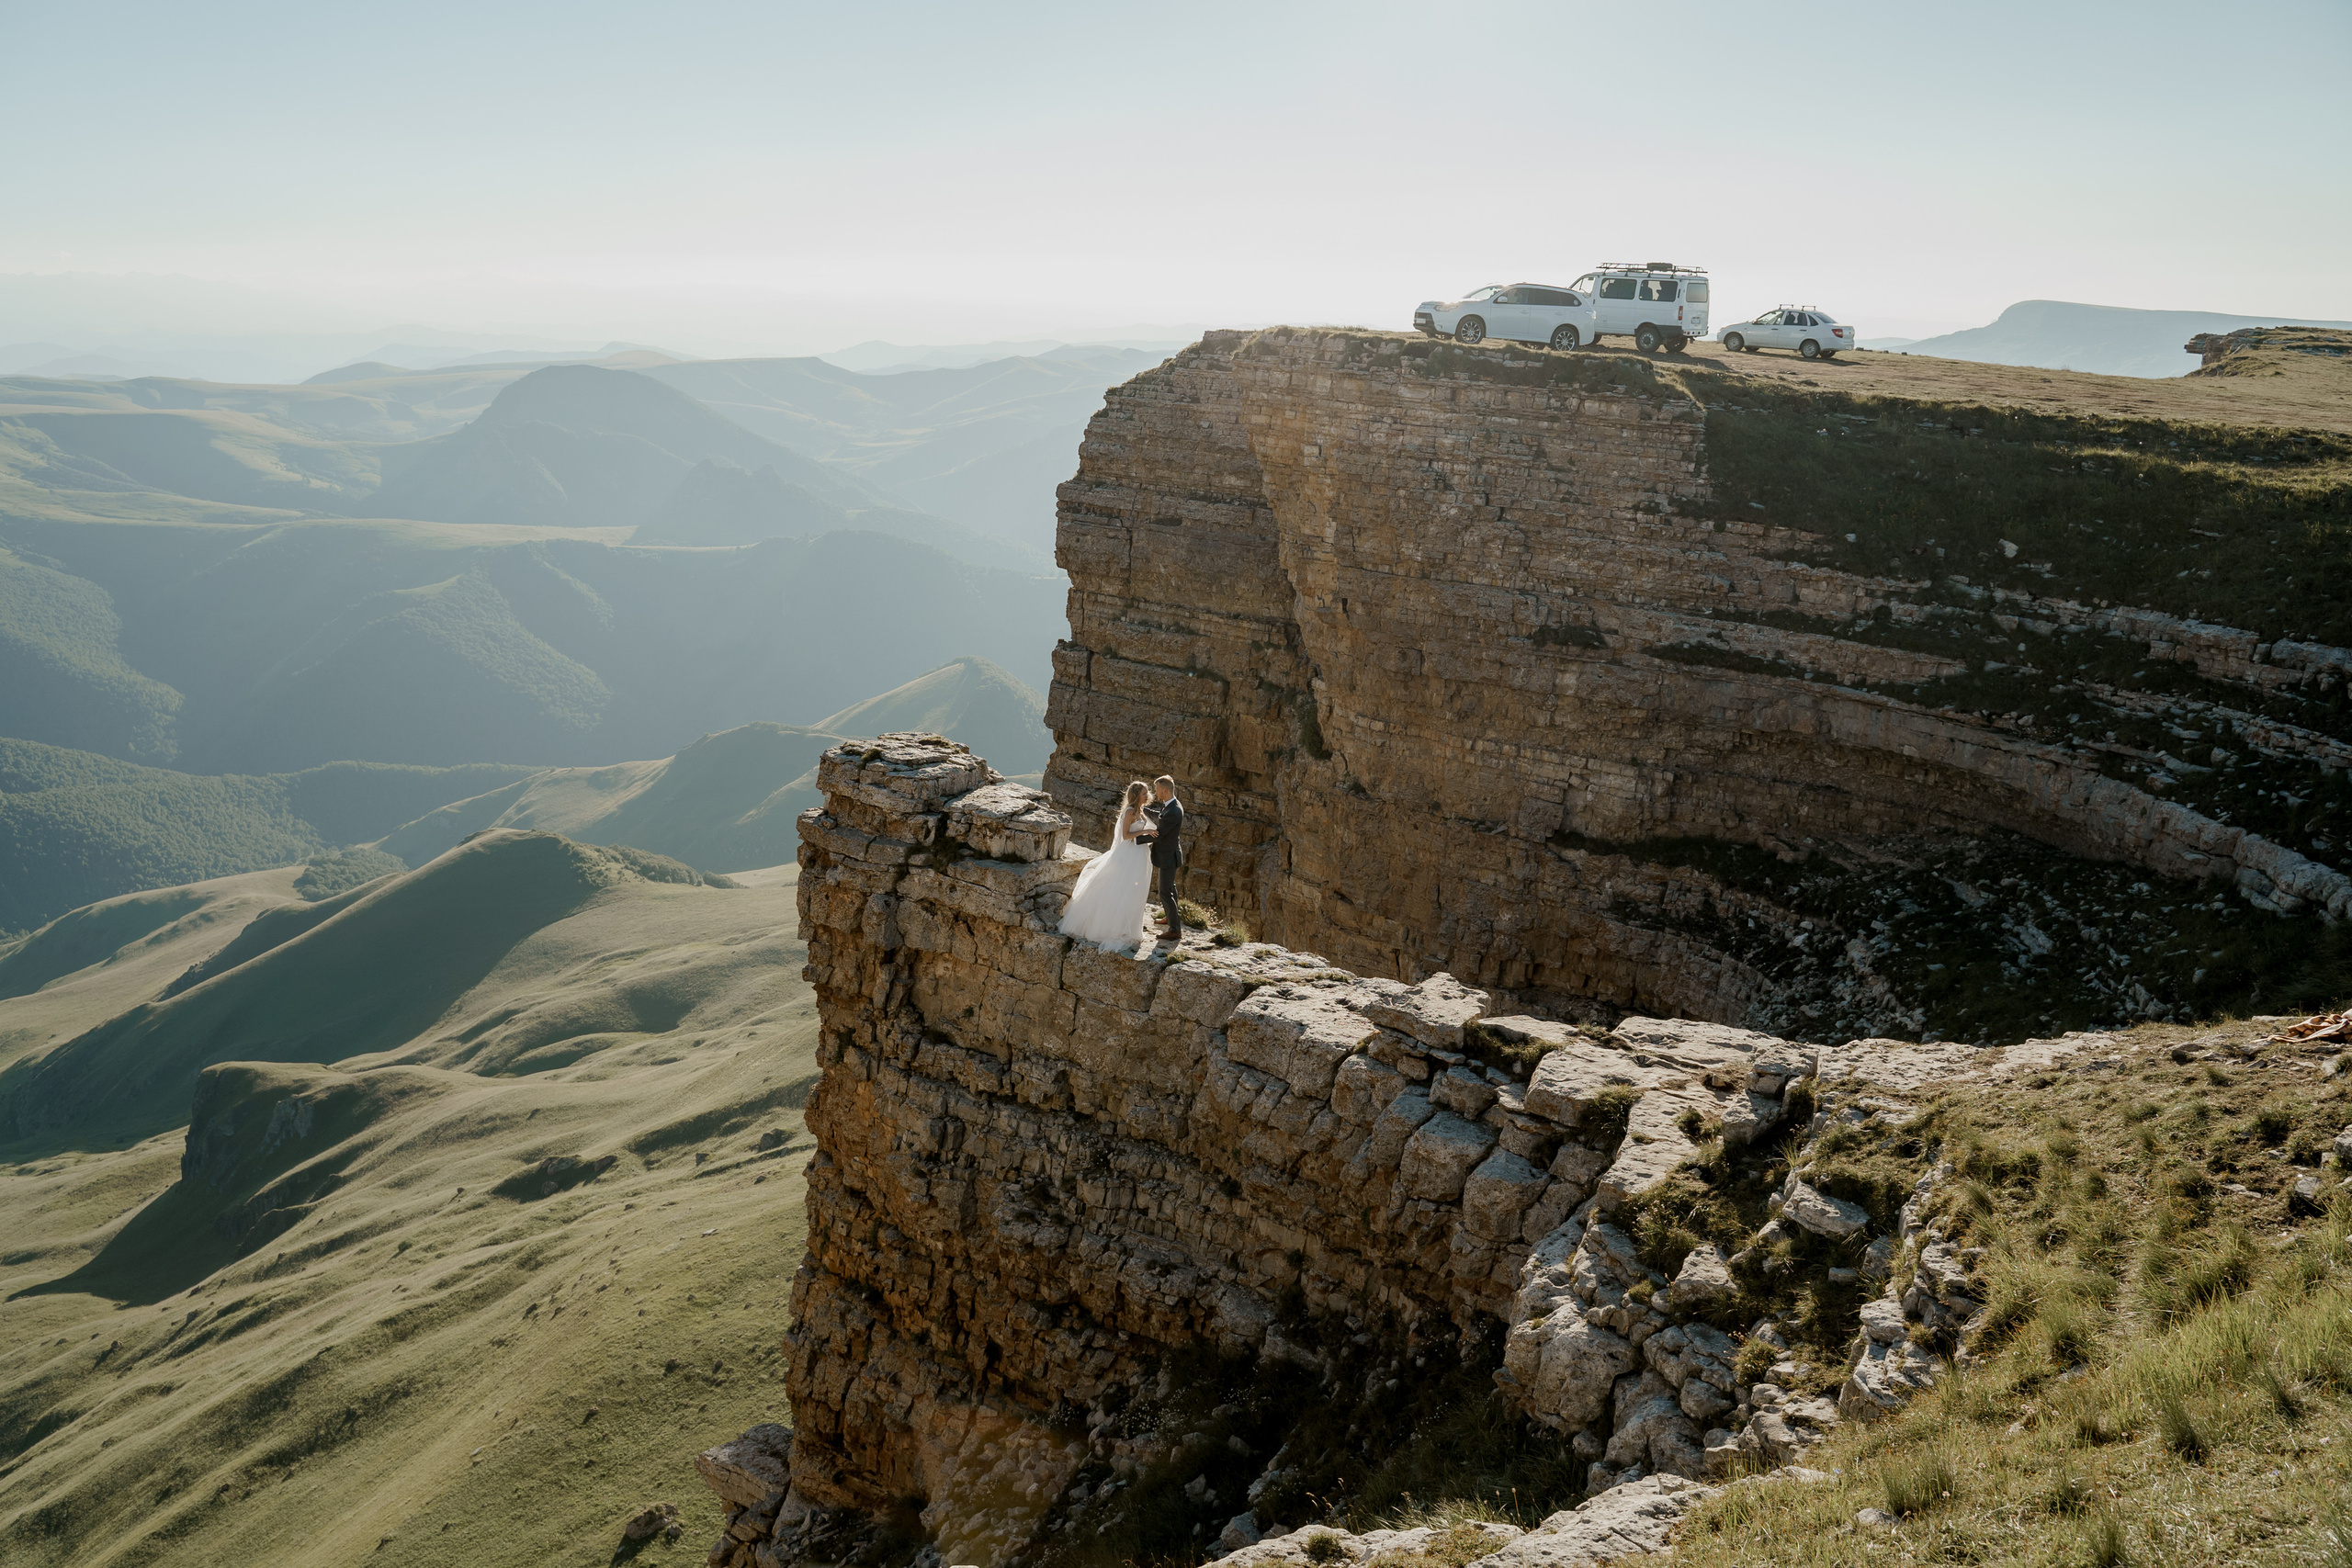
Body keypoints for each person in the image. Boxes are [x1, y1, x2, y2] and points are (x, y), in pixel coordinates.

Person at [1057, 780, 1158, 954]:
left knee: (1135, 891)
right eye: (1143, 793)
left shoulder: (1140, 811)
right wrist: (1144, 832)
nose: (1147, 795)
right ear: (1136, 796)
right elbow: (1126, 836)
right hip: (1129, 855)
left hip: (1139, 854)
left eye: (1147, 792)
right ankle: (1113, 927)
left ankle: (1130, 926)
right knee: (1122, 889)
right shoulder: (1130, 812)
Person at [1142, 774, 1185, 942]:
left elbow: (1158, 835)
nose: (1155, 793)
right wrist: (1143, 809)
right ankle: (1171, 917)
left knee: (1165, 893)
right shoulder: (1171, 805)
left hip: (1169, 857)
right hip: (1170, 855)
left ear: (1165, 790)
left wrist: (1135, 839)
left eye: (1157, 790)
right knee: (1171, 888)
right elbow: (1160, 818)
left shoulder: (1174, 811)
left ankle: (1175, 930)